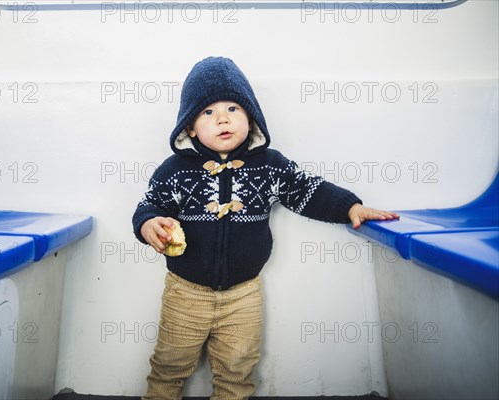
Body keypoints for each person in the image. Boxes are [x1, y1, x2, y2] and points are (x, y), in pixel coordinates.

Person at [132, 56, 399, 399]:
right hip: (185, 292)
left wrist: (350, 206)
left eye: (233, 108)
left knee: (237, 371)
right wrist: (149, 223)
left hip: (244, 294)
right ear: (189, 127)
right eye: (208, 112)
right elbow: (148, 205)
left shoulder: (270, 166)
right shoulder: (174, 169)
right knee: (169, 366)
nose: (223, 118)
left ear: (252, 117)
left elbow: (307, 190)